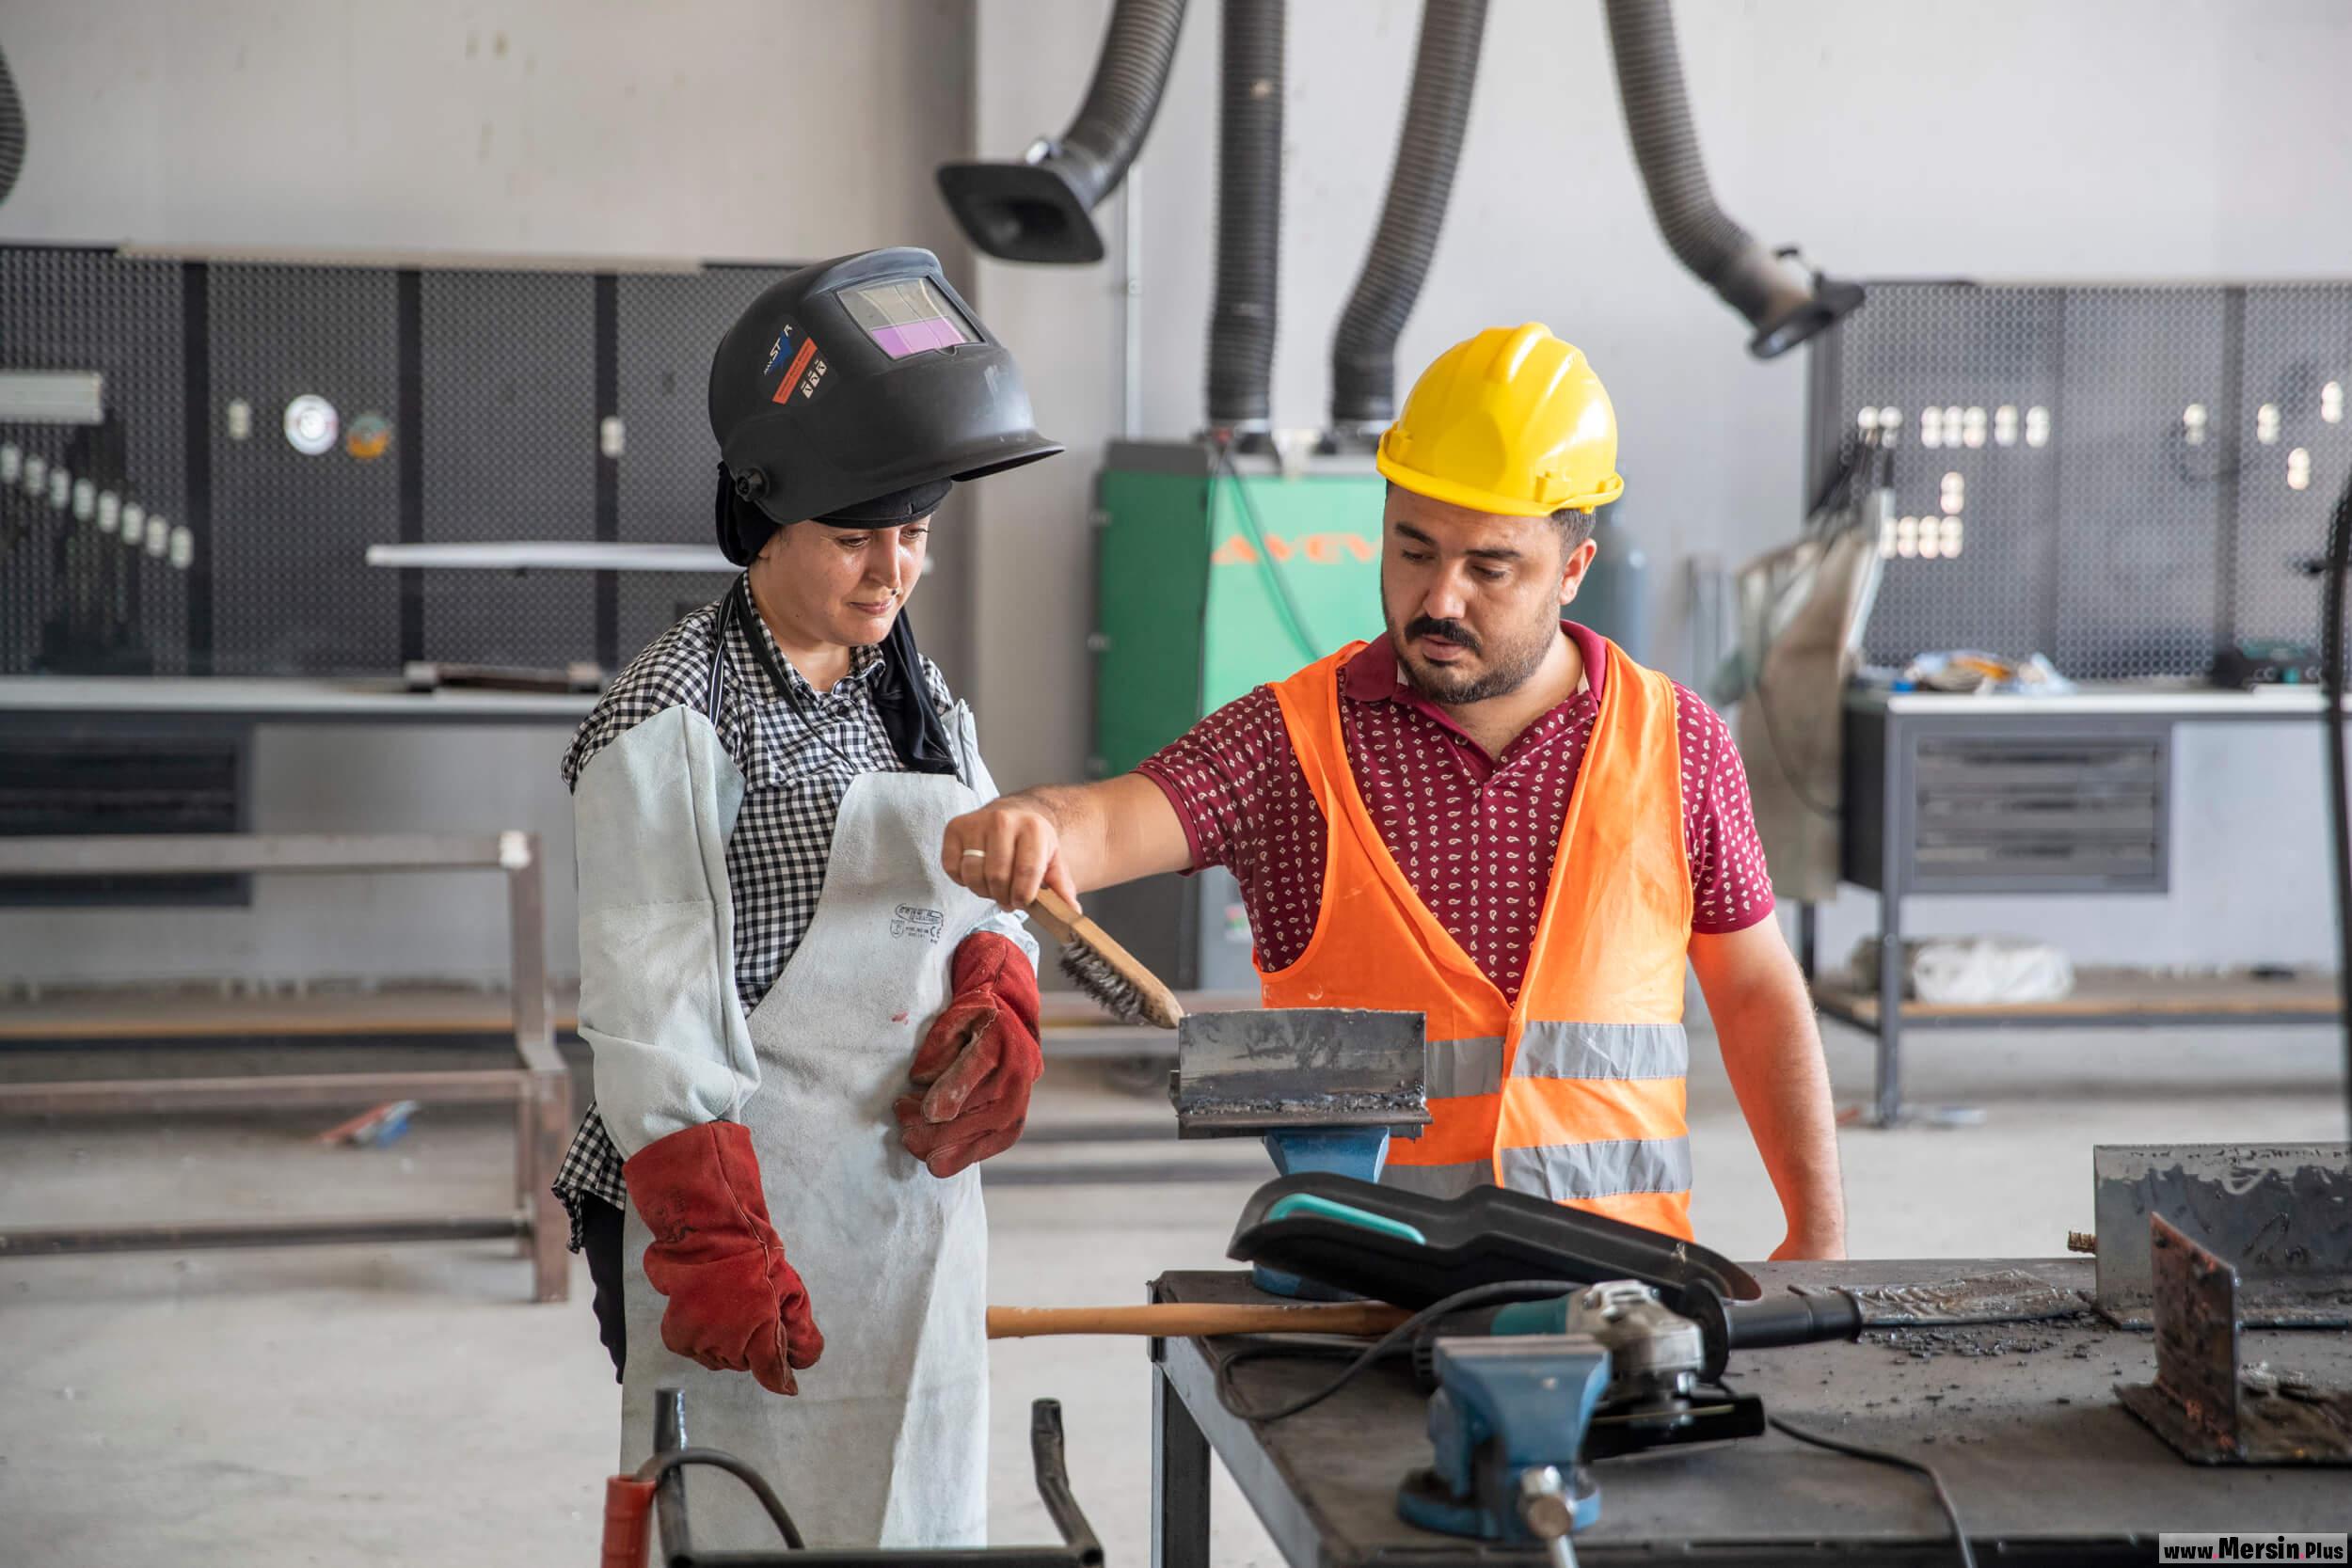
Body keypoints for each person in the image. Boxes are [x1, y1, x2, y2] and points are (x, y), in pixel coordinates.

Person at [943, 323, 1846, 1258]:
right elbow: (1109, 818)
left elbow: (1752, 991)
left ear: (1573, 568)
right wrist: (1034, 823)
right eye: (1413, 550)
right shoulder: (1292, 742)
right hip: (1363, 1313)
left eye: (1489, 567)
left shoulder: (1677, 741)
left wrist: (1815, 1231)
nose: (1439, 598)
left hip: (1620, 1300)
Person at [551, 247, 1061, 1548]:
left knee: (912, 1511)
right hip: (725, 1201)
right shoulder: (671, 715)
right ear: (761, 519)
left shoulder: (915, 691)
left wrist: (1000, 980)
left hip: (898, 1197)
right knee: (740, 1516)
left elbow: (989, 869)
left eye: (916, 536)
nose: (893, 573)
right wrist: (708, 1228)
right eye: (854, 539)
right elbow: (650, 995)